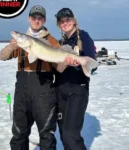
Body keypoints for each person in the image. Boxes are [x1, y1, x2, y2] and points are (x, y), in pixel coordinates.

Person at [0, 5, 61, 150]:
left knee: (47, 135)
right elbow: (2, 56)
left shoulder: (51, 41)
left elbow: (59, 68)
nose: (37, 20)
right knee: (19, 133)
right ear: (29, 18)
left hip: (43, 91)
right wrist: (11, 47)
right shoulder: (21, 40)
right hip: (22, 91)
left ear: (44, 20)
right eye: (34, 17)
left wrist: (62, 60)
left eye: (40, 18)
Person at [54, 8, 97, 150]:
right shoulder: (60, 43)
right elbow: (58, 70)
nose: (65, 23)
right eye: (62, 21)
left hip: (78, 89)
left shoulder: (84, 37)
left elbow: (92, 64)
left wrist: (80, 63)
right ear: (59, 24)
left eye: (68, 20)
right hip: (61, 90)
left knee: (70, 133)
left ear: (73, 21)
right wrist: (64, 63)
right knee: (62, 133)